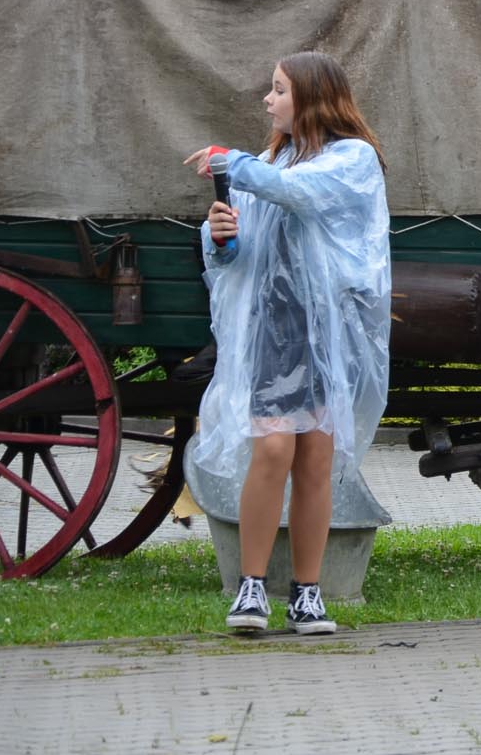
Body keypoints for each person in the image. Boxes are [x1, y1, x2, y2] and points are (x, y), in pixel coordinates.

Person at [185, 52, 391, 634]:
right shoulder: (272, 158)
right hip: (272, 331)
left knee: (317, 460)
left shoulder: (350, 160)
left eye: (277, 90)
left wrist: (229, 162)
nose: (268, 101)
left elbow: (295, 194)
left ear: (310, 98)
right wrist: (221, 237)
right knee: (273, 451)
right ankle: (251, 588)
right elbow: (238, 250)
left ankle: (307, 592)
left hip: (328, 335)